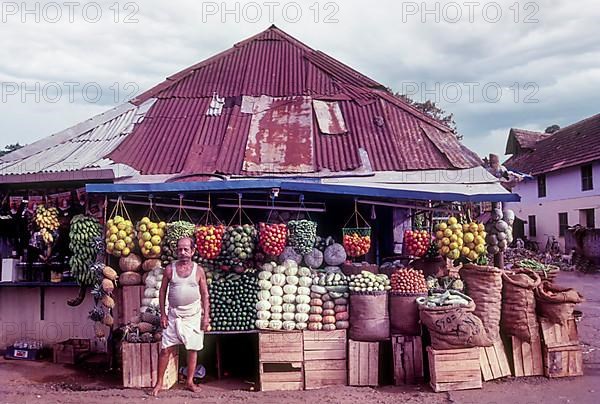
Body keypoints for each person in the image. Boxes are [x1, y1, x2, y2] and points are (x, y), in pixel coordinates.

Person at [152, 237, 210, 396]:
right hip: (174, 315)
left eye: (186, 249)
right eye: (179, 249)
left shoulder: (198, 270)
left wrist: (206, 317)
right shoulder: (170, 269)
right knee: (165, 349)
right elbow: (162, 291)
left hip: (193, 315)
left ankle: (189, 381)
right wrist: (163, 314)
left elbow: (204, 294)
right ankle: (159, 383)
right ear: (176, 251)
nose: (182, 252)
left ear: (193, 251)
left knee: (192, 349)